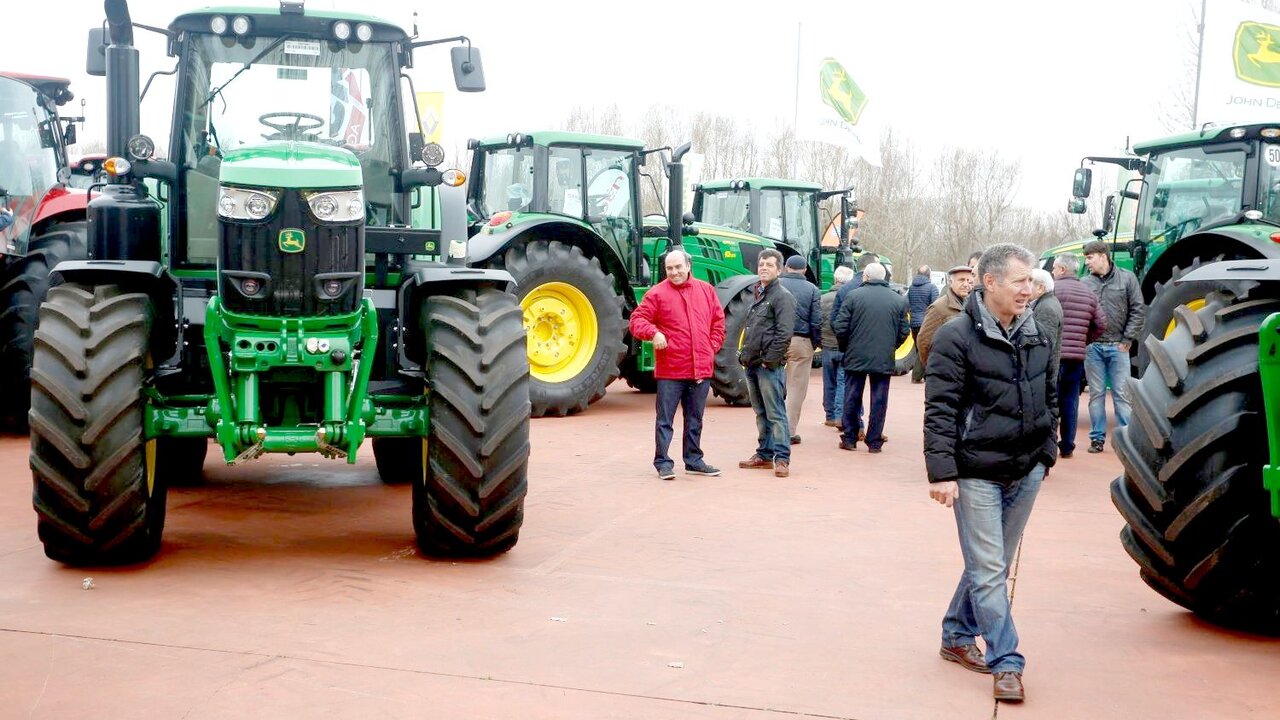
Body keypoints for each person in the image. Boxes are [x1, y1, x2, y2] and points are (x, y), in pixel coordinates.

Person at [924, 243, 1057, 704]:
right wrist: (941, 473)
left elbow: (1051, 394)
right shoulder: (955, 337)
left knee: (989, 566)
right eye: (1021, 280)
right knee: (989, 571)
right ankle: (1007, 662)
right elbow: (940, 410)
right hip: (976, 470)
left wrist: (1046, 452)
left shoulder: (1039, 329)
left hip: (1026, 469)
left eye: (1032, 279)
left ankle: (956, 634)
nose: (1030, 288)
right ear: (990, 282)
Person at [629, 249, 726, 480]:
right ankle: (663, 462)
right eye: (669, 269)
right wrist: (653, 332)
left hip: (700, 368)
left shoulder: (706, 290)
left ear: (688, 266)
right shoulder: (657, 294)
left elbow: (718, 323)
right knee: (665, 420)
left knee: (695, 419)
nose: (674, 272)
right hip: (671, 370)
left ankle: (694, 460)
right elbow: (637, 321)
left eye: (678, 267)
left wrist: (710, 348)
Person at [833, 262, 909, 453]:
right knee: (879, 400)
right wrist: (891, 347)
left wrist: (846, 348)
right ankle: (874, 441)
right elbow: (904, 332)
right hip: (883, 357)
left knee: (852, 397)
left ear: (865, 277)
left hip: (855, 355)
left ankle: (850, 438)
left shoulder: (852, 296)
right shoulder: (898, 300)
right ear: (884, 278)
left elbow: (840, 327)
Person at [737, 248, 797, 477]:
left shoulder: (782, 297)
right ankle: (764, 454)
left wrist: (769, 361)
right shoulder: (759, 294)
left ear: (779, 270)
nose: (763, 268)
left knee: (775, 413)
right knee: (760, 412)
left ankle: (782, 459)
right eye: (761, 264)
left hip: (767, 367)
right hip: (752, 364)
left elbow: (784, 334)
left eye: (769, 265)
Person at [1081, 240, 1145, 454]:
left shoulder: (1127, 278)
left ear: (1102, 255)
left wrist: (1128, 340)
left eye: (1089, 257)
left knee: (1121, 393)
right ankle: (1097, 439)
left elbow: (1137, 309)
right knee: (1096, 394)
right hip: (1093, 348)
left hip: (1119, 347)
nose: (1087, 262)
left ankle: (1126, 440)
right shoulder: (1085, 283)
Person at [1051, 252, 1106, 458]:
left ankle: (1048, 448)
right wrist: (1084, 340)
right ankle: (1067, 446)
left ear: (1063, 269)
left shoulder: (1052, 291)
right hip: (1076, 358)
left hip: (1053, 357)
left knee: (1050, 401)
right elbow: (1101, 324)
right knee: (1070, 401)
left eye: (1055, 268)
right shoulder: (1088, 293)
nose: (1053, 271)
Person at [778, 255, 822, 444]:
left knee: (772, 385)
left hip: (775, 341)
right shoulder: (812, 289)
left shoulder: (775, 285)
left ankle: (771, 428)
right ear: (804, 270)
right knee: (796, 388)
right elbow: (817, 320)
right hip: (801, 341)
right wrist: (814, 343)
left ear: (786, 267)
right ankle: (788, 431)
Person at [916, 264, 975, 369]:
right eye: (961, 280)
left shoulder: (972, 306)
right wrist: (932, 368)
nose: (966, 284)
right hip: (945, 371)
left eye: (969, 281)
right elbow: (923, 341)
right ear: (950, 282)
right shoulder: (939, 308)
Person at [820, 266, 854, 429]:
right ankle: (840, 415)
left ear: (834, 279)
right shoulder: (851, 297)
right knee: (843, 381)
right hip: (845, 347)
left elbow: (817, 322)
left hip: (827, 346)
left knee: (829, 381)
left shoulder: (823, 298)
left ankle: (830, 415)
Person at [907, 264, 940, 383]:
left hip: (914, 322)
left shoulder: (911, 288)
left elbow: (908, 304)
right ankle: (916, 376)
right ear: (929, 275)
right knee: (926, 349)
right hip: (926, 323)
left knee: (918, 348)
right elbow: (935, 307)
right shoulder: (932, 288)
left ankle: (925, 375)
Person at [1030, 269, 1063, 372]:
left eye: (1029, 282)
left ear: (1040, 288)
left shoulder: (1046, 308)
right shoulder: (1046, 302)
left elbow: (1044, 346)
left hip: (1042, 373)